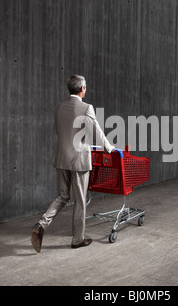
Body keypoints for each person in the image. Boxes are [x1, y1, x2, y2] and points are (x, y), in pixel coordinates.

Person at [31, 75, 114, 252]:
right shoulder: (86, 108)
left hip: (61, 157)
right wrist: (108, 148)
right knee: (80, 200)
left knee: (62, 196)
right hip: (79, 160)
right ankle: (77, 239)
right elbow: (96, 131)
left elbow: (58, 130)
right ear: (82, 88)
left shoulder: (59, 107)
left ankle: (41, 224)